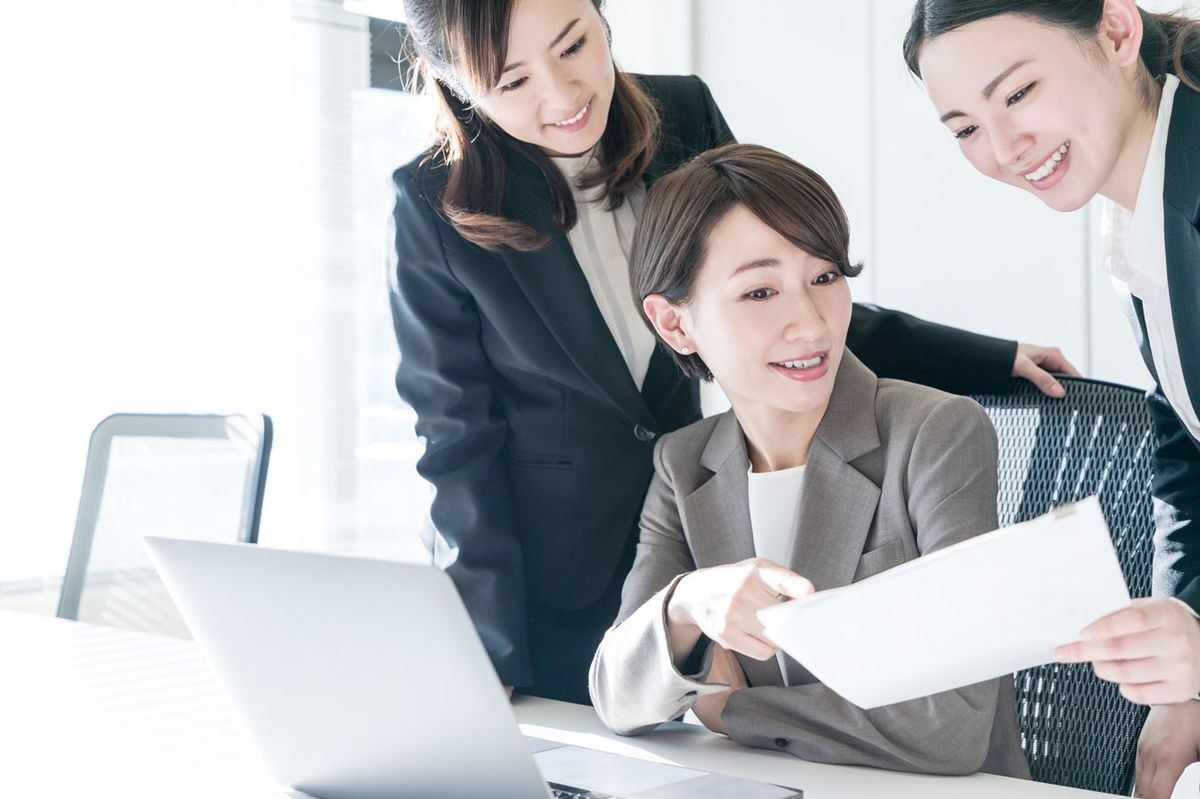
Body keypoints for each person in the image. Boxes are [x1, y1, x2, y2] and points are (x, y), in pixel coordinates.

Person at [389, 0, 1076, 705]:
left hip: (705, 542)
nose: (563, 95)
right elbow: (454, 437)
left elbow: (780, 290)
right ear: (461, 86)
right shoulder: (430, 203)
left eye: (573, 46)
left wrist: (984, 358)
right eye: (513, 83)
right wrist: (484, 646)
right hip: (552, 592)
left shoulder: (679, 115)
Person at [589, 143, 1029, 777]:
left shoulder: (935, 434)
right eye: (761, 291)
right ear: (674, 323)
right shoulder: (684, 465)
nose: (811, 324)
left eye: (825, 277)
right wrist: (688, 603)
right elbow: (614, 693)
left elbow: (951, 726)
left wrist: (731, 708)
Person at [903, 2, 1200, 796]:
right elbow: (1185, 443)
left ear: (1115, 31)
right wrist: (1182, 677)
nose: (1003, 149)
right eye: (964, 127)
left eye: (1020, 92)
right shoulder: (1139, 202)